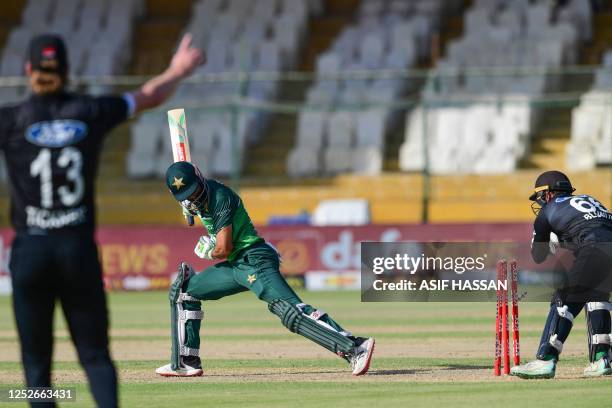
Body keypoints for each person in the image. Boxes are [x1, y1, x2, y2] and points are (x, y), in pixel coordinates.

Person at [0, 33, 203, 406]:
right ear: (66, 70)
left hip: (30, 252)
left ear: (28, 70)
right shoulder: (91, 111)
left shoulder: (9, 120)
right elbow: (150, 97)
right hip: (77, 251)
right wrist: (178, 69)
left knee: (36, 366)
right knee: (94, 356)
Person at [155, 162, 376, 377]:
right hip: (237, 265)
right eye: (187, 197)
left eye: (195, 192)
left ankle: (355, 347)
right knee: (186, 291)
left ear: (201, 179)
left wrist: (208, 251)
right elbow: (200, 213)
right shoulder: (196, 202)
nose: (194, 198)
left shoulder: (220, 196)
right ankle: (186, 361)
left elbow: (223, 248)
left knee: (290, 312)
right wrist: (191, 207)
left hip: (254, 259)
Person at [511, 171, 612, 379]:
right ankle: (602, 358)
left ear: (547, 194)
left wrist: (551, 241)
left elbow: (538, 256)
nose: (539, 203)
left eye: (540, 197)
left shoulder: (547, 211)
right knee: (596, 298)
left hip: (594, 247)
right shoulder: (590, 200)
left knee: (563, 299)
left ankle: (546, 359)